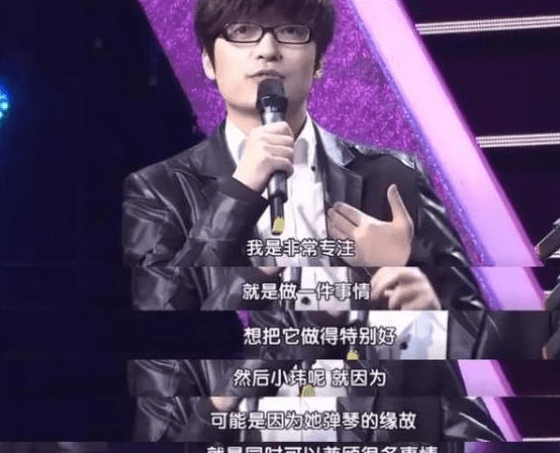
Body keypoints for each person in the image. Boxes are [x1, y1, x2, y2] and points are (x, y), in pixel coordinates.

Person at [121, 0, 501, 445]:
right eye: (242, 32)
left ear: (318, 61)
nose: (267, 50)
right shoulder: (159, 190)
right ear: (208, 60)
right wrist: (241, 191)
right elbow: (164, 331)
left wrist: (423, 311)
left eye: (291, 32)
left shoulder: (393, 177)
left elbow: (478, 334)